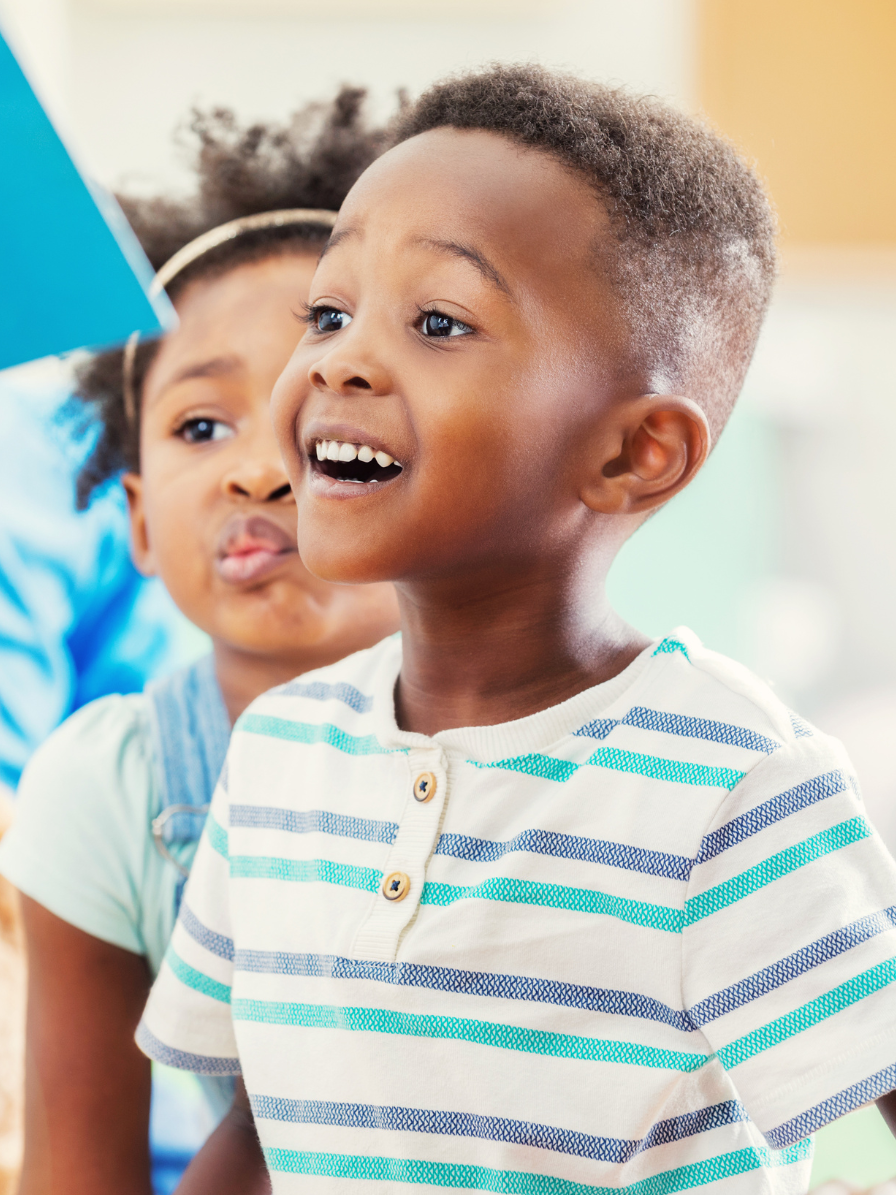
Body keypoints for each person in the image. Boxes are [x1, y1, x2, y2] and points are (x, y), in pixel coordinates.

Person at [137, 64, 896, 1194]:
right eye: (329, 312)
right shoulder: (280, 755)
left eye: (437, 321)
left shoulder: (729, 783)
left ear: (634, 454)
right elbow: (261, 1129)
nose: (339, 358)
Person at [0, 87, 400, 1195]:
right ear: (132, 516)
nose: (257, 468)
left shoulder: (600, 748)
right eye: (199, 426)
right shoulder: (111, 789)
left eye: (315, 415)